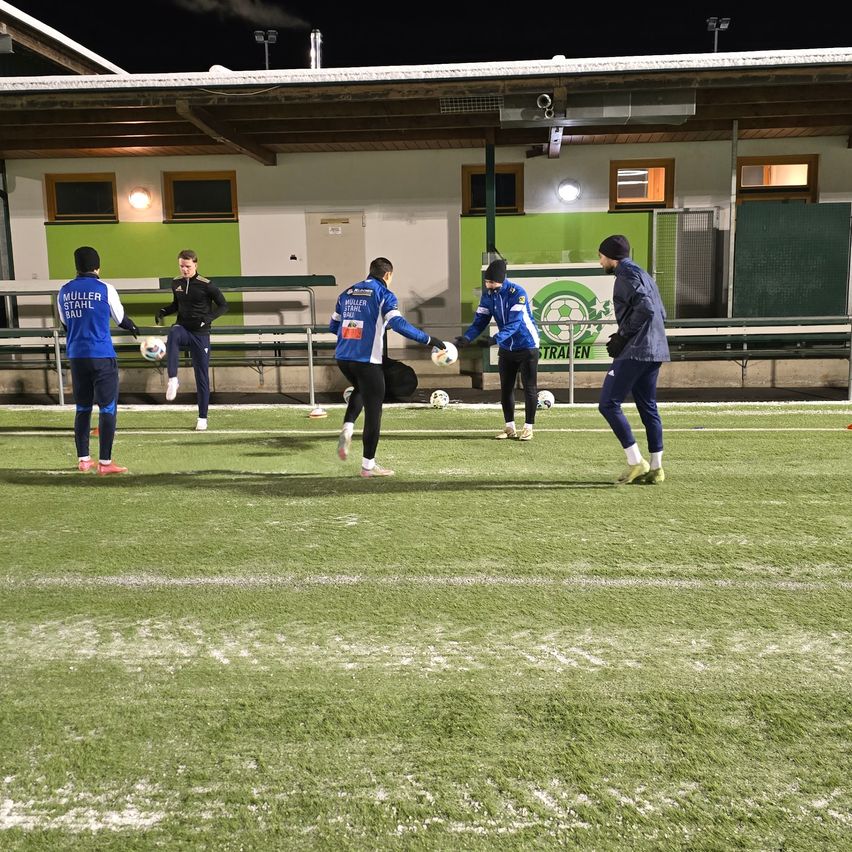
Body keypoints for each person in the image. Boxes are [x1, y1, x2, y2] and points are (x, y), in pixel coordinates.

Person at [331, 256, 446, 478]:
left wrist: (357, 336)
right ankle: (367, 466)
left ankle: (348, 426)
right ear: (387, 275)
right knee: (374, 412)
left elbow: (333, 325)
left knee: (361, 389)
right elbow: (398, 324)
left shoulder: (346, 293)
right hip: (367, 361)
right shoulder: (384, 294)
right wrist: (429, 340)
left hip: (343, 358)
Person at [57, 246, 139, 475]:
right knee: (107, 408)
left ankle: (84, 459)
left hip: (76, 355)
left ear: (77, 266)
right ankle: (105, 463)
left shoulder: (63, 291)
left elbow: (65, 324)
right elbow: (120, 318)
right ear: (97, 266)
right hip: (101, 355)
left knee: (82, 407)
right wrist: (132, 326)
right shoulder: (105, 288)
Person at [597, 235, 671, 485]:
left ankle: (636, 461)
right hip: (656, 349)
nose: (600, 262)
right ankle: (657, 468)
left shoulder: (625, 276)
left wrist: (623, 336)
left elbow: (648, 309)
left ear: (611, 257)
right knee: (648, 406)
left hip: (637, 350)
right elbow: (662, 312)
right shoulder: (644, 274)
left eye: (601, 256)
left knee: (608, 403)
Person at [454, 258, 541, 441]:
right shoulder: (488, 295)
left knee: (529, 388)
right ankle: (509, 427)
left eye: (492, 282)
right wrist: (467, 338)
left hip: (527, 345)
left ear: (502, 279)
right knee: (506, 389)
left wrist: (494, 339)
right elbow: (480, 321)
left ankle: (528, 427)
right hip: (507, 347)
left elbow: (514, 324)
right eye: (487, 282)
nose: (489, 285)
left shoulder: (518, 293)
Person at [155, 249, 229, 431]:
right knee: (173, 332)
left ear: (196, 264)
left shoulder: (207, 285)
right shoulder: (176, 283)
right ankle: (173, 379)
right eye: (181, 266)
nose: (184, 270)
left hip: (200, 335)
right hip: (184, 330)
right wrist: (164, 311)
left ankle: (202, 417)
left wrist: (207, 319)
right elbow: (176, 305)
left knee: (202, 376)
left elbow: (224, 305)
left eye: (188, 266)